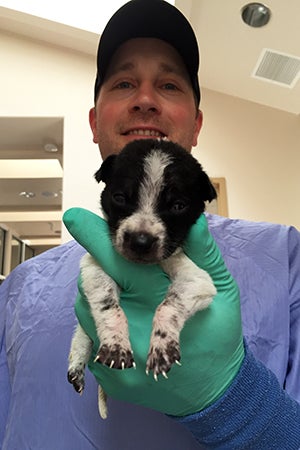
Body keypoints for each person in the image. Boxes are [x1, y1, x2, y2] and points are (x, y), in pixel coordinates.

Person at [0, 1, 300, 449]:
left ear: (196, 124)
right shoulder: (20, 287)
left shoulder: (285, 257)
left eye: (169, 84)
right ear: (94, 120)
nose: (144, 98)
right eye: (123, 82)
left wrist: (238, 404)